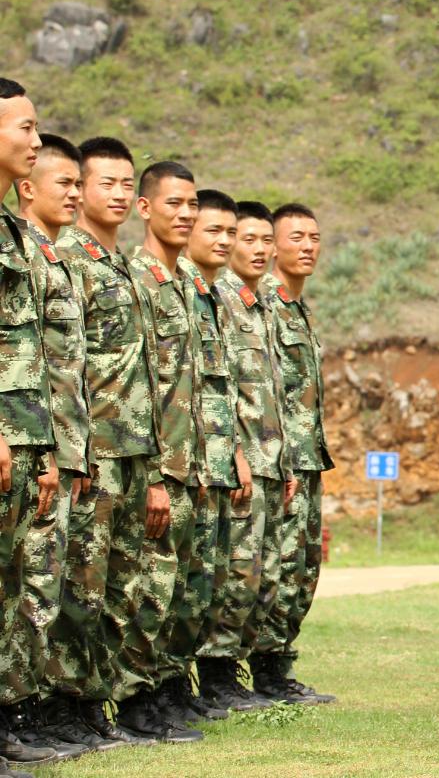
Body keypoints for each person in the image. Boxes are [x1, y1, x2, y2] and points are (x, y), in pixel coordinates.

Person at [55, 137, 165, 747]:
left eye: (128, 185)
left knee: (118, 586)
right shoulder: (69, 259)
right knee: (79, 583)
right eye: (107, 184)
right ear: (80, 188)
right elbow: (65, 362)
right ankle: (66, 707)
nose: (119, 195)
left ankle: (100, 703)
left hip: (131, 452)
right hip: (90, 450)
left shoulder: (119, 264)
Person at [12, 134, 103, 757]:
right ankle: (21, 716)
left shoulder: (60, 258)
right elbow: (28, 363)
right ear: (27, 188)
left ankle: (33, 713)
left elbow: (76, 371)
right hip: (32, 445)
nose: (76, 194)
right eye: (64, 184)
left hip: (62, 448)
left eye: (79, 184)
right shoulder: (27, 256)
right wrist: (44, 450)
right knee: (27, 589)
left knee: (48, 592)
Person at [118, 160, 206, 743]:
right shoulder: (137, 280)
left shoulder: (182, 284)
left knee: (172, 591)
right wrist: (151, 471)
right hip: (153, 464)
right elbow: (135, 384)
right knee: (140, 589)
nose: (186, 214)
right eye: (174, 203)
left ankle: (159, 693)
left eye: (191, 205)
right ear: (145, 208)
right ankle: (131, 702)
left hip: (185, 463)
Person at [196, 200, 283, 712]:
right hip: (234, 460)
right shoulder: (220, 299)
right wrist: (232, 451)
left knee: (259, 573)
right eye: (243, 237)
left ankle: (235, 674)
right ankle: (213, 676)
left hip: (267, 460)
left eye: (260, 239)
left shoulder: (260, 303)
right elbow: (220, 388)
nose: (253, 248)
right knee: (230, 571)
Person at [0, 79, 59, 778]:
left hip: (23, 438)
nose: (36, 142)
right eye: (25, 128)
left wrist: (38, 445)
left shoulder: (12, 233)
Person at [255, 203, 333, 705]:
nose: (307, 246)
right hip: (275, 461)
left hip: (306, 459)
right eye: (295, 237)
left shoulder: (298, 308)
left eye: (314, 237)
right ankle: (258, 673)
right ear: (273, 246)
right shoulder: (262, 305)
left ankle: (278, 669)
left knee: (301, 569)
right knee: (271, 567)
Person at [176, 190, 241, 720]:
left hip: (214, 460)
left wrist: (233, 450)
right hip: (174, 459)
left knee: (204, 582)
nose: (224, 241)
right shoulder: (170, 288)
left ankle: (182, 688)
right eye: (212, 230)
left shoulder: (212, 298)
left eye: (229, 232)